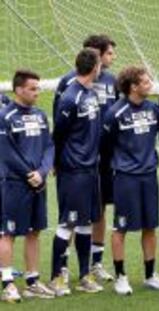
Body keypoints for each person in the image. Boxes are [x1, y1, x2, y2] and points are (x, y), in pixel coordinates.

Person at [53, 34, 118, 283]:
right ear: (97, 57)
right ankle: (63, 267)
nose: (113, 57)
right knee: (71, 215)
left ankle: (96, 263)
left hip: (101, 158)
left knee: (98, 209)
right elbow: (60, 125)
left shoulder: (111, 81)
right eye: (110, 53)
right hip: (76, 160)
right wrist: (57, 160)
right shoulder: (69, 84)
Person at [102, 66, 159, 295]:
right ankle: (121, 277)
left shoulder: (153, 108)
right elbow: (105, 145)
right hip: (126, 178)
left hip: (149, 176)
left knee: (150, 226)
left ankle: (151, 275)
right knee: (121, 228)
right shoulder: (115, 113)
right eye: (145, 82)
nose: (150, 84)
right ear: (133, 86)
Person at [49, 48, 103, 295]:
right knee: (67, 223)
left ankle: (84, 275)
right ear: (95, 67)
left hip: (90, 168)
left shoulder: (89, 93)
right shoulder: (70, 98)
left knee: (86, 223)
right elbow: (58, 134)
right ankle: (56, 278)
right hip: (73, 169)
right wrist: (56, 163)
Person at [0, 70, 55, 302]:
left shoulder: (41, 115)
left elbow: (49, 147)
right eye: (33, 88)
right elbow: (6, 151)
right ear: (19, 89)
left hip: (38, 183)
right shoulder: (5, 116)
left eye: (38, 87)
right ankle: (8, 284)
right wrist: (28, 174)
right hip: (14, 184)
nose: (37, 92)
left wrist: (42, 172)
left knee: (34, 231)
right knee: (7, 233)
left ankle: (32, 281)